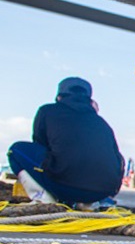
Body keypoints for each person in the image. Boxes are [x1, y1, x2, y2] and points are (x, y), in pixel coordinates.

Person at [7, 77, 124, 207]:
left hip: (64, 187)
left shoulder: (47, 111)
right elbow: (118, 159)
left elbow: (40, 144)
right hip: (101, 192)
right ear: (90, 101)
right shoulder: (102, 123)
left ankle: (44, 200)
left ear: (59, 97)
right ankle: (90, 204)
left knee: (16, 150)